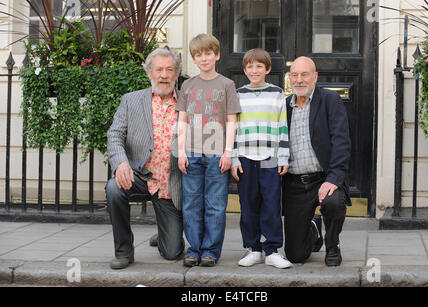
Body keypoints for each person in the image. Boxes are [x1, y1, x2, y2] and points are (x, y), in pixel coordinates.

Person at [106, 48, 185, 270]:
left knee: (172, 253)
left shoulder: (186, 103)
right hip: (140, 175)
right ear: (149, 72)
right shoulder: (131, 101)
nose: (164, 75)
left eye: (170, 69)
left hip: (171, 184)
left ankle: (164, 235)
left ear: (176, 73)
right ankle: (123, 251)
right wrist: (121, 162)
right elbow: (115, 135)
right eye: (159, 69)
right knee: (114, 189)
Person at [176, 34, 241, 267]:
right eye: (198, 55)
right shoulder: (187, 85)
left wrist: (228, 152)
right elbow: (182, 120)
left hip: (216, 155)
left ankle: (210, 251)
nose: (204, 58)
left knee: (215, 204)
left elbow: (231, 121)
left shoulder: (226, 85)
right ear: (194, 58)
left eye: (208, 53)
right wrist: (181, 152)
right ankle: (194, 249)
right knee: (191, 204)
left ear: (217, 55)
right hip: (191, 154)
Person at [283, 56, 351, 266]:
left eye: (304, 74)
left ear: (315, 77)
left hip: (323, 178)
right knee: (296, 255)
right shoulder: (284, 106)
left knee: (333, 201)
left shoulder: (330, 100)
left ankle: (332, 244)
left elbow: (341, 141)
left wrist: (334, 179)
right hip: (294, 182)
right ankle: (314, 226)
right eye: (294, 75)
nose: (299, 80)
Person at [231, 48, 292, 269]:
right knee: (248, 204)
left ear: (267, 69)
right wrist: (234, 159)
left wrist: (283, 156)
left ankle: (273, 249)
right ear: (245, 69)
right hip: (246, 157)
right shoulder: (238, 94)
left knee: (271, 203)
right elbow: (233, 129)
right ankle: (253, 248)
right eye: (250, 66)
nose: (254, 70)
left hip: (270, 157)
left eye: (259, 66)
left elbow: (282, 125)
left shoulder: (276, 93)